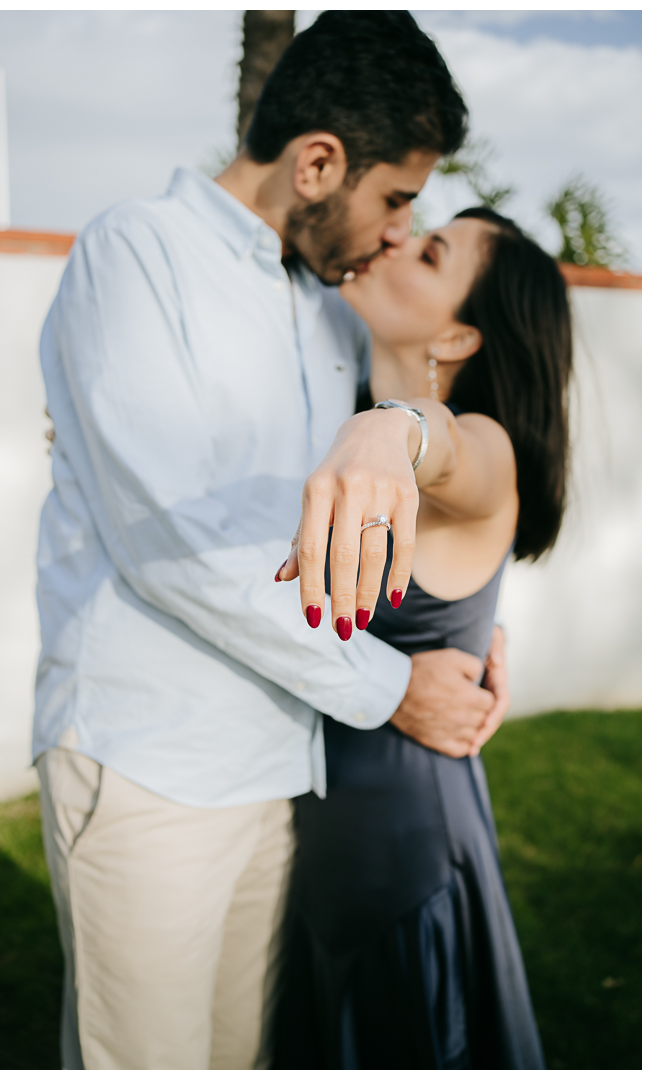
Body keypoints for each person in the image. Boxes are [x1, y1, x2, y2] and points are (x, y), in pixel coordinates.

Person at [33, 12, 510, 1070]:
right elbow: (172, 542)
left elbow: (405, 482)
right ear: (317, 163)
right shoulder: (133, 254)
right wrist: (395, 686)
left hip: (284, 772)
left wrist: (475, 617)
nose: (395, 233)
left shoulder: (329, 313)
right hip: (149, 763)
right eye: (393, 200)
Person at [273, 207, 572, 1068]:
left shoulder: (482, 450)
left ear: (460, 335)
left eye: (432, 251)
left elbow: (445, 452)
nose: (397, 239)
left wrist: (394, 426)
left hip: (402, 856)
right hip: (324, 841)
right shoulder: (331, 409)